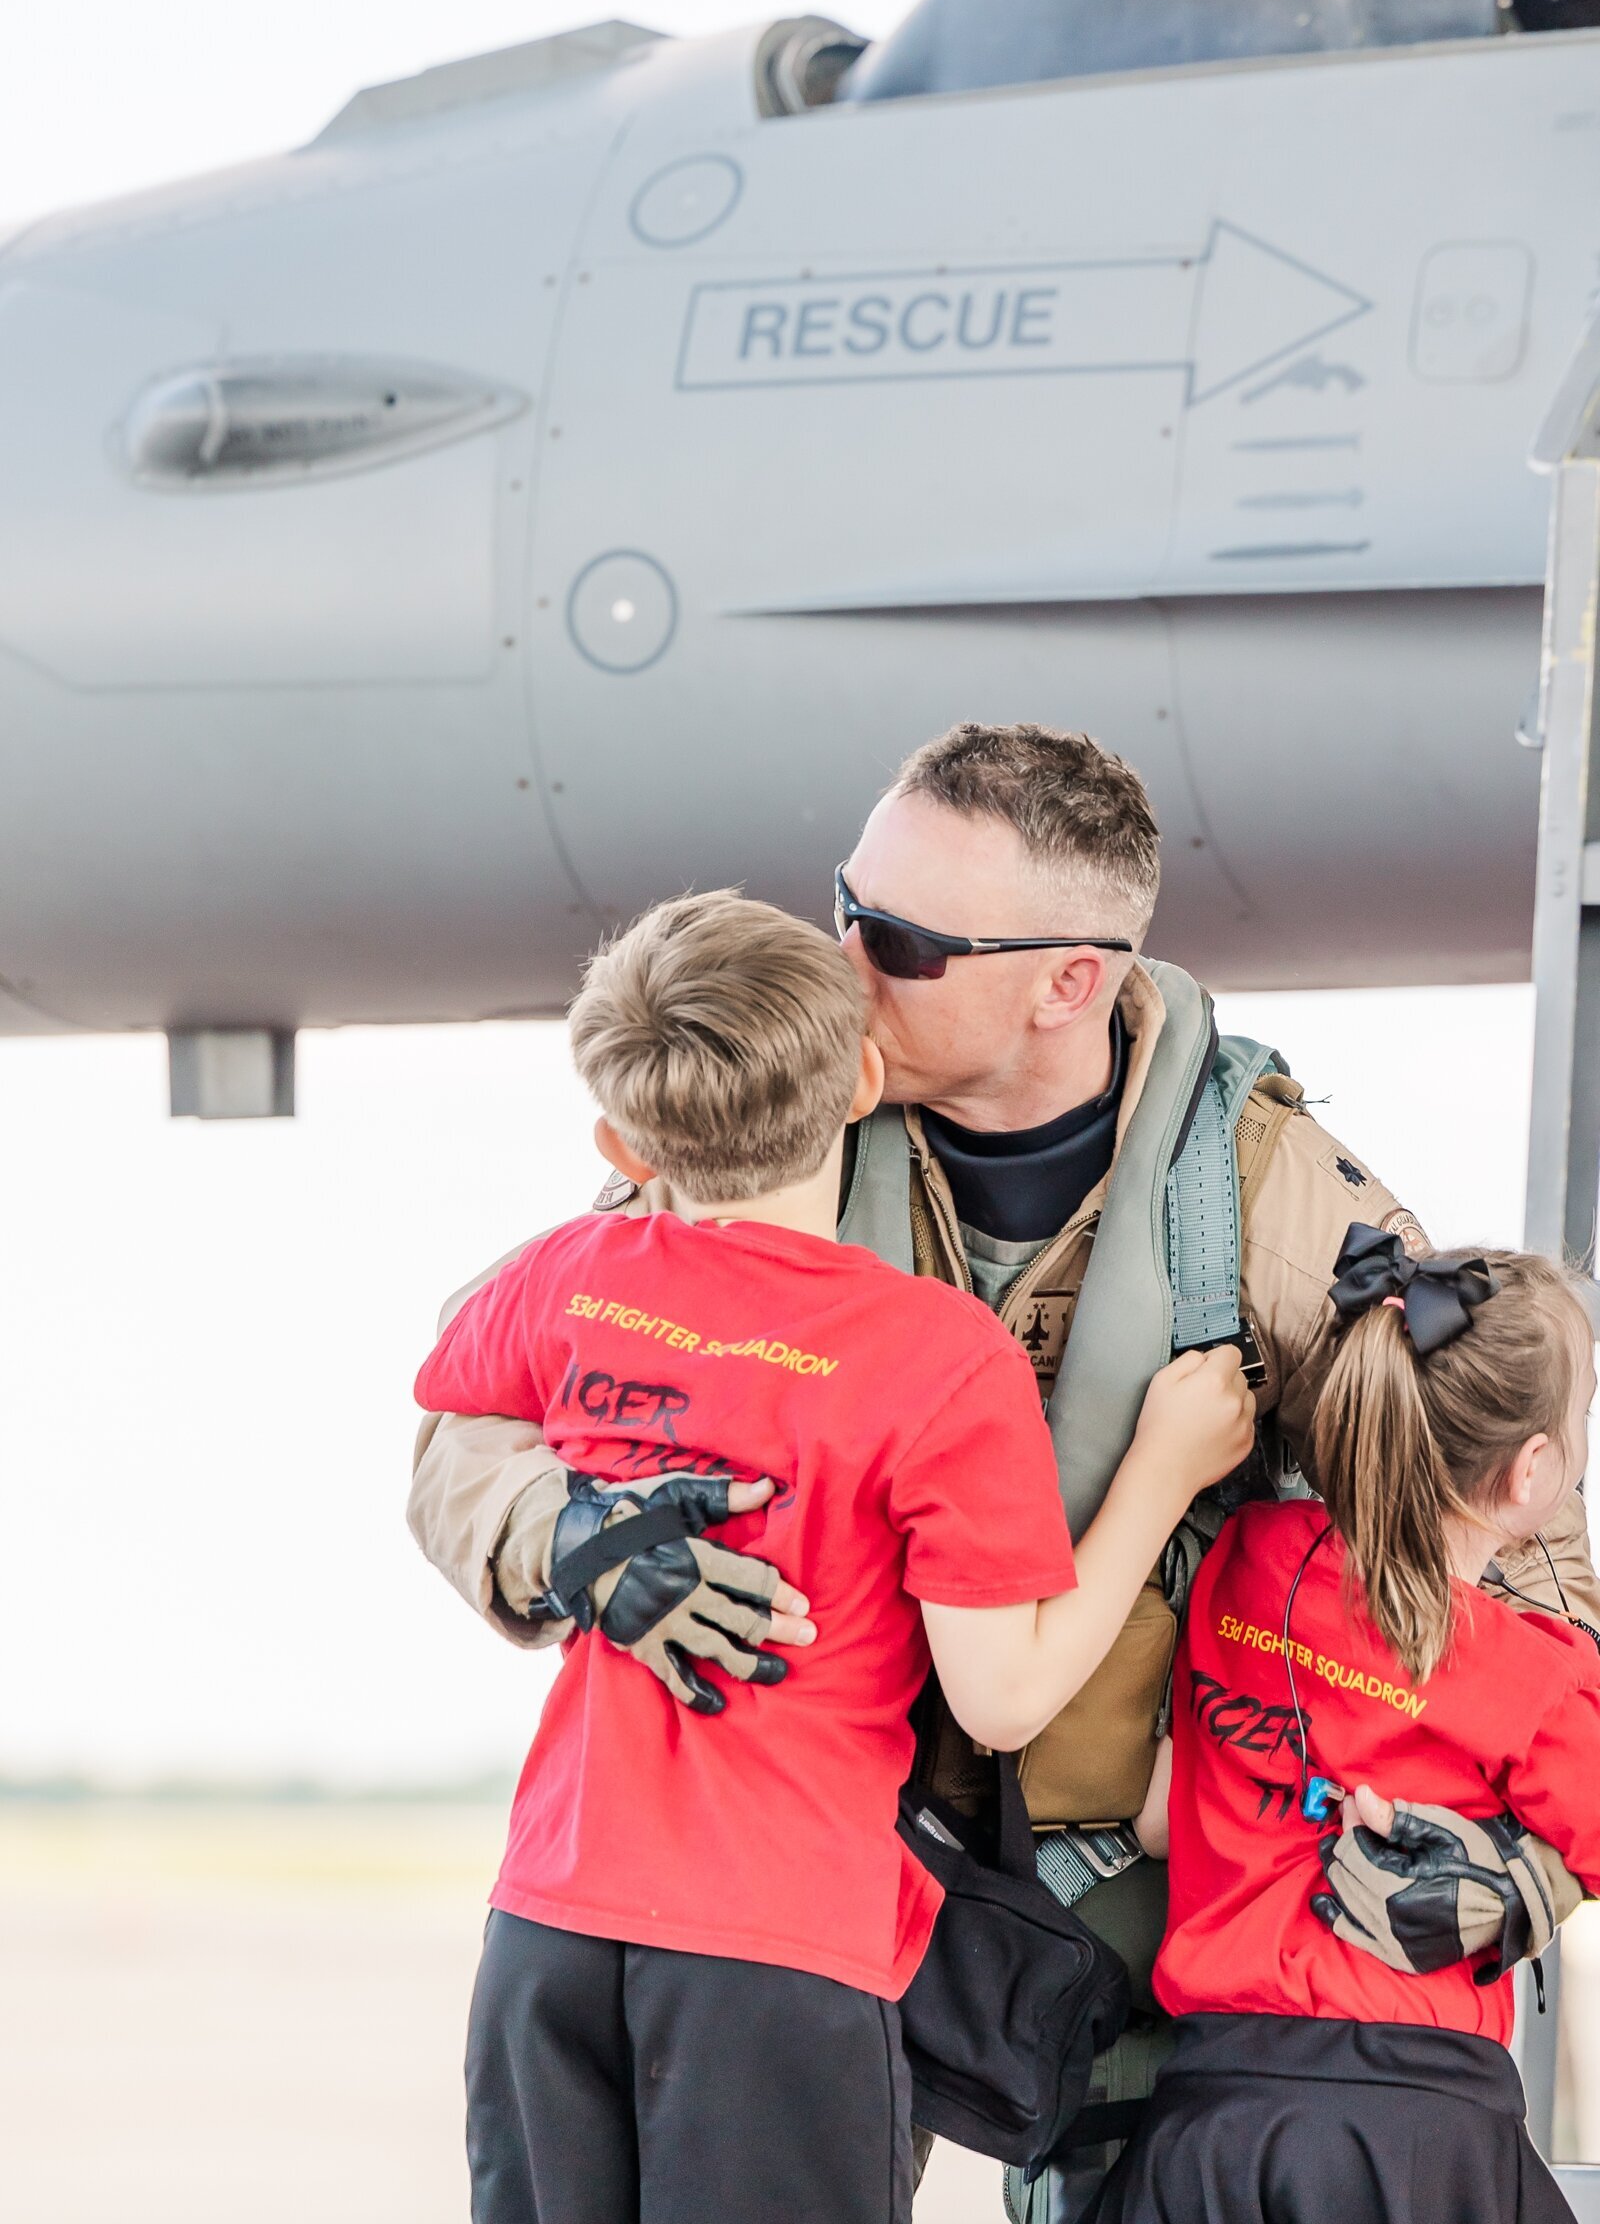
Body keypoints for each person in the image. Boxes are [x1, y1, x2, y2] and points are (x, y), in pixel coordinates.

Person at [408, 722, 1600, 2217]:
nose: (841, 961)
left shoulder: (1275, 1211)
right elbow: (472, 1419)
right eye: (845, 905)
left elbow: (1530, 1558)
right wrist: (566, 1531)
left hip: (1156, 1916)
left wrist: (1515, 1880)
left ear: (1070, 980)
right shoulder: (759, 1119)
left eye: (899, 940)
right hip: (805, 1879)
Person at [414, 890, 1256, 2224]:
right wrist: (1161, 1474)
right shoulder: (935, 1354)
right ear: (865, 1076)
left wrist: (576, 1524)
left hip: (549, 1933)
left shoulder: (565, 1277)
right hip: (782, 1953)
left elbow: (455, 1418)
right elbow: (1005, 1697)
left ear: (621, 1139)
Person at [1090, 1229, 1600, 2224]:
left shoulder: (1246, 1559)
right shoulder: (1541, 1677)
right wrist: (1537, 1872)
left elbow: (1170, 1805)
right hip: (1413, 2132)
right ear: (1530, 1472)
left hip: (1210, 2122)